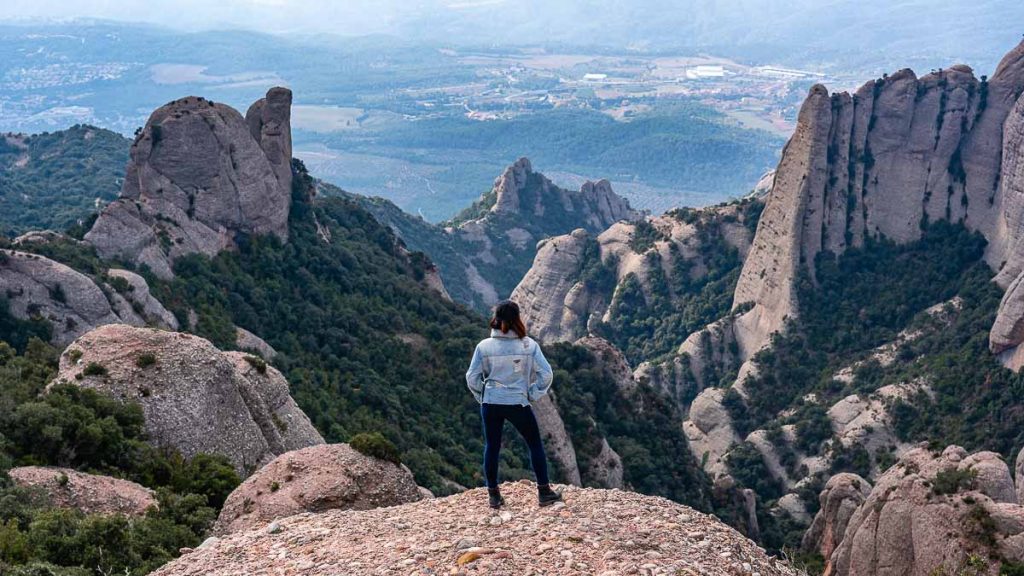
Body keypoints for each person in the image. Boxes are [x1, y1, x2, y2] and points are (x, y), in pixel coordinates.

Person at [465, 300, 563, 509]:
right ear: (517, 319)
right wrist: (531, 394)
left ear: (496, 319)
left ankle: (493, 496)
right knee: (534, 444)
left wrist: (482, 395)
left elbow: (472, 378)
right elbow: (546, 375)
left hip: (491, 402)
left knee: (492, 446)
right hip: (518, 403)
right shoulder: (528, 345)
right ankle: (544, 492)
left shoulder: (483, 346)